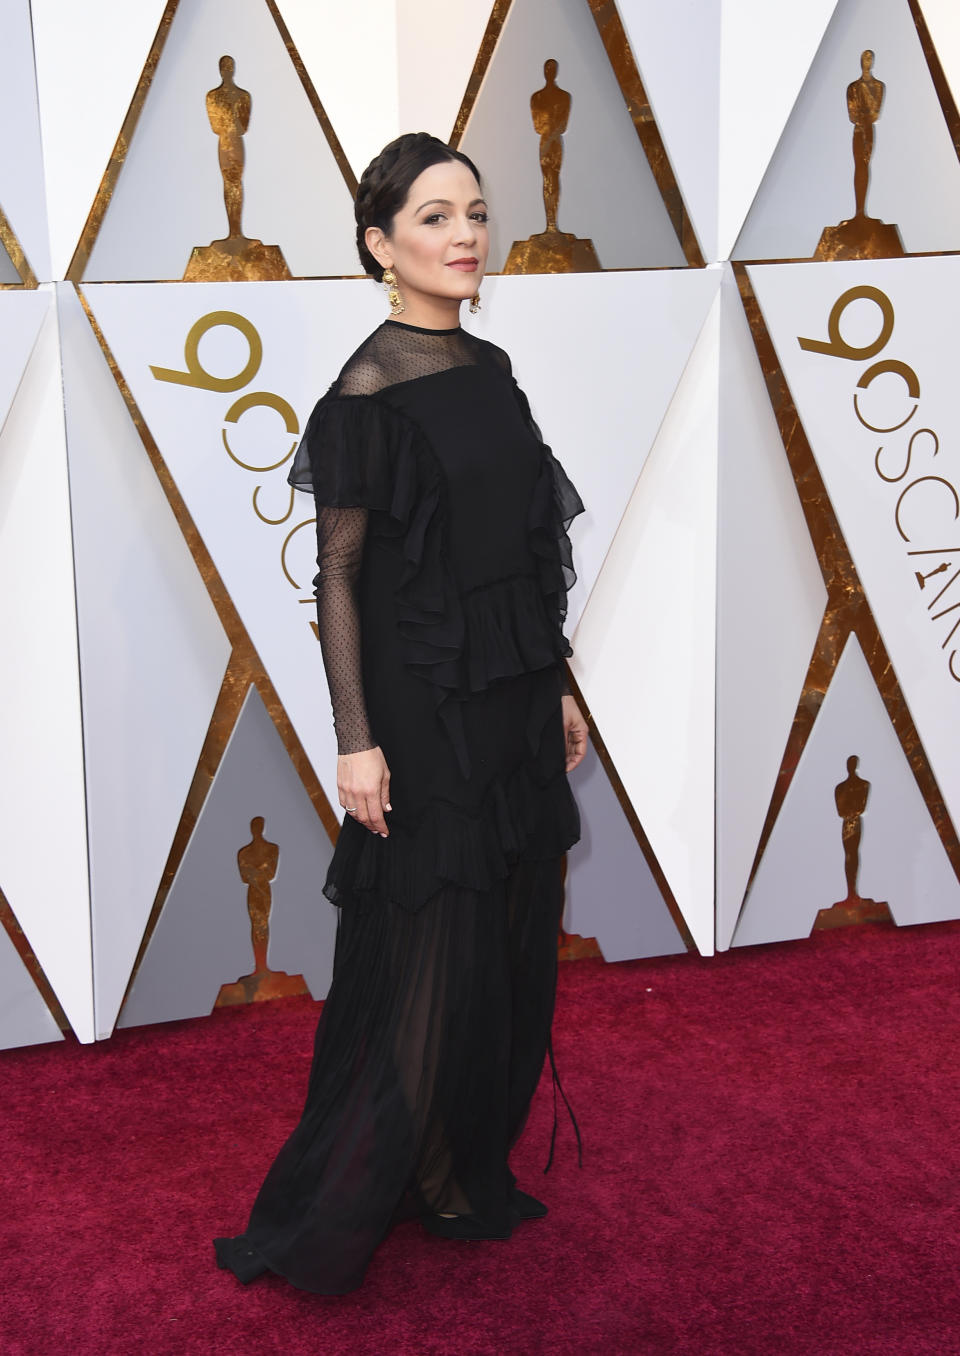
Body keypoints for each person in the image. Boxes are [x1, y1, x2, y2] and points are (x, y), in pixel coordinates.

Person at [214, 132, 588, 1295]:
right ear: (380, 244)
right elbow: (337, 582)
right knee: (431, 947)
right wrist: (355, 739)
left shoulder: (492, 371)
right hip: (423, 714)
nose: (466, 234)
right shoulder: (364, 395)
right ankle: (344, 1202)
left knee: (508, 940)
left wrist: (564, 680)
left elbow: (526, 551)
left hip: (516, 692)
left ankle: (453, 1166)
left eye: (474, 211)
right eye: (433, 217)